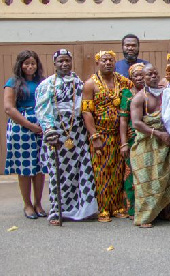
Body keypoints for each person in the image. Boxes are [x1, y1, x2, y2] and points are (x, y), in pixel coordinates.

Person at [129, 63, 170, 228]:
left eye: (155, 73)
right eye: (148, 74)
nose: (153, 76)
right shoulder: (140, 98)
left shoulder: (167, 94)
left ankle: (166, 212)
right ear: (143, 78)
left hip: (167, 142)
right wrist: (158, 134)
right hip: (147, 144)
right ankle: (144, 217)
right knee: (147, 181)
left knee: (167, 178)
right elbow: (137, 123)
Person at [35, 49, 98, 226]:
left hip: (77, 132)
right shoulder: (47, 85)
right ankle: (57, 210)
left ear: (71, 63)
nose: (64, 64)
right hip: (57, 133)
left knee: (81, 171)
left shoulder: (79, 83)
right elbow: (42, 109)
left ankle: (82, 209)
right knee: (58, 173)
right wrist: (49, 131)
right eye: (60, 61)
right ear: (54, 64)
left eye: (67, 61)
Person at [82, 50, 133, 222]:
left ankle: (118, 206)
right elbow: (87, 112)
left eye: (111, 60)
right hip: (101, 134)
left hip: (119, 134)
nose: (108, 63)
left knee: (119, 171)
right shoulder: (90, 84)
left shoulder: (122, 81)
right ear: (97, 63)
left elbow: (135, 91)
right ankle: (103, 208)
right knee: (102, 172)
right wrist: (94, 135)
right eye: (104, 60)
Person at [4, 50, 48, 219]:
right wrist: (30, 125)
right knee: (25, 169)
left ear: (37, 65)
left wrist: (41, 126)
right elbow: (9, 108)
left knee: (39, 167)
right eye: (26, 63)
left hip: (40, 126)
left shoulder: (42, 82)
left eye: (33, 63)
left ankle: (38, 203)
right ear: (20, 65)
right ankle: (27, 205)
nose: (30, 66)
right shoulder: (13, 82)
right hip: (21, 127)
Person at [119, 63, 147, 219]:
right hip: (132, 138)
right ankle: (132, 208)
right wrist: (123, 143)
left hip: (148, 137)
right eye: (136, 75)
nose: (140, 78)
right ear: (131, 78)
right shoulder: (127, 95)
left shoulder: (151, 93)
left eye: (143, 75)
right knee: (131, 173)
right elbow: (123, 121)